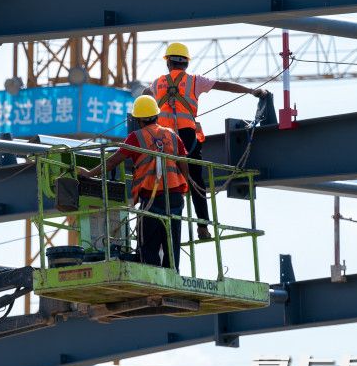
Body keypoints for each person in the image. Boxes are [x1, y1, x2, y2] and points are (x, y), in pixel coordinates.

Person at [144, 42, 269, 240]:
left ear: (168, 63)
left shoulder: (157, 83)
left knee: (159, 178)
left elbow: (144, 97)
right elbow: (223, 85)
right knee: (195, 180)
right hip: (186, 139)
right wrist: (250, 91)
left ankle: (156, 223)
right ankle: (203, 226)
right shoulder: (195, 81)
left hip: (161, 139)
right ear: (186, 63)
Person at [78, 95, 189, 271]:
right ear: (156, 115)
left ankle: (152, 281)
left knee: (148, 246)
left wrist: (89, 173)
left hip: (152, 200)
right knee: (172, 244)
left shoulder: (136, 137)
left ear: (137, 119)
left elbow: (113, 161)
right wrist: (186, 185)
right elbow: (184, 164)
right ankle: (172, 278)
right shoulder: (173, 135)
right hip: (175, 198)